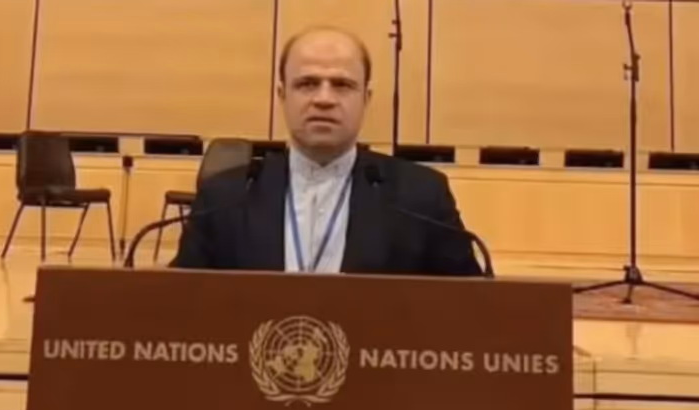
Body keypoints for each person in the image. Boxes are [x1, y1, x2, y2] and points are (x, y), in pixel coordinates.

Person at [172, 27, 483, 276]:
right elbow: (179, 305)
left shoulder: (422, 196)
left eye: (342, 85)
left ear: (366, 98)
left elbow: (471, 305)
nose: (324, 99)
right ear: (282, 95)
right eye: (307, 83)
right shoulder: (224, 197)